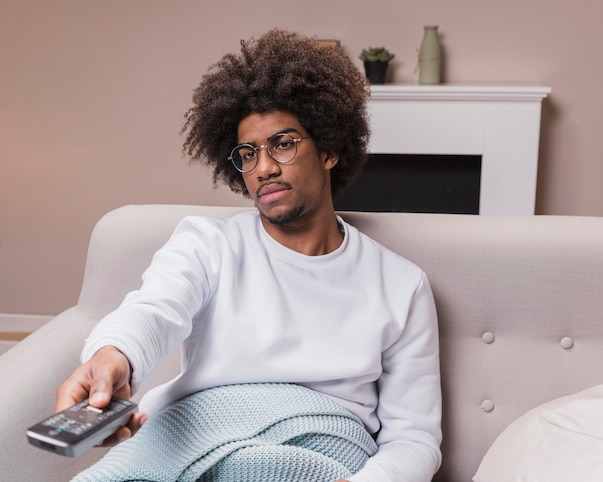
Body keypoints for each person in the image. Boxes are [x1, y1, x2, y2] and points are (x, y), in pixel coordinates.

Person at [57, 29, 442, 481]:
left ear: (330, 150)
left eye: (283, 143)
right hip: (199, 429)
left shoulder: (401, 284)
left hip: (328, 443)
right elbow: (154, 310)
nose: (264, 168)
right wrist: (111, 357)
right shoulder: (209, 244)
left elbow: (414, 436)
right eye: (247, 152)